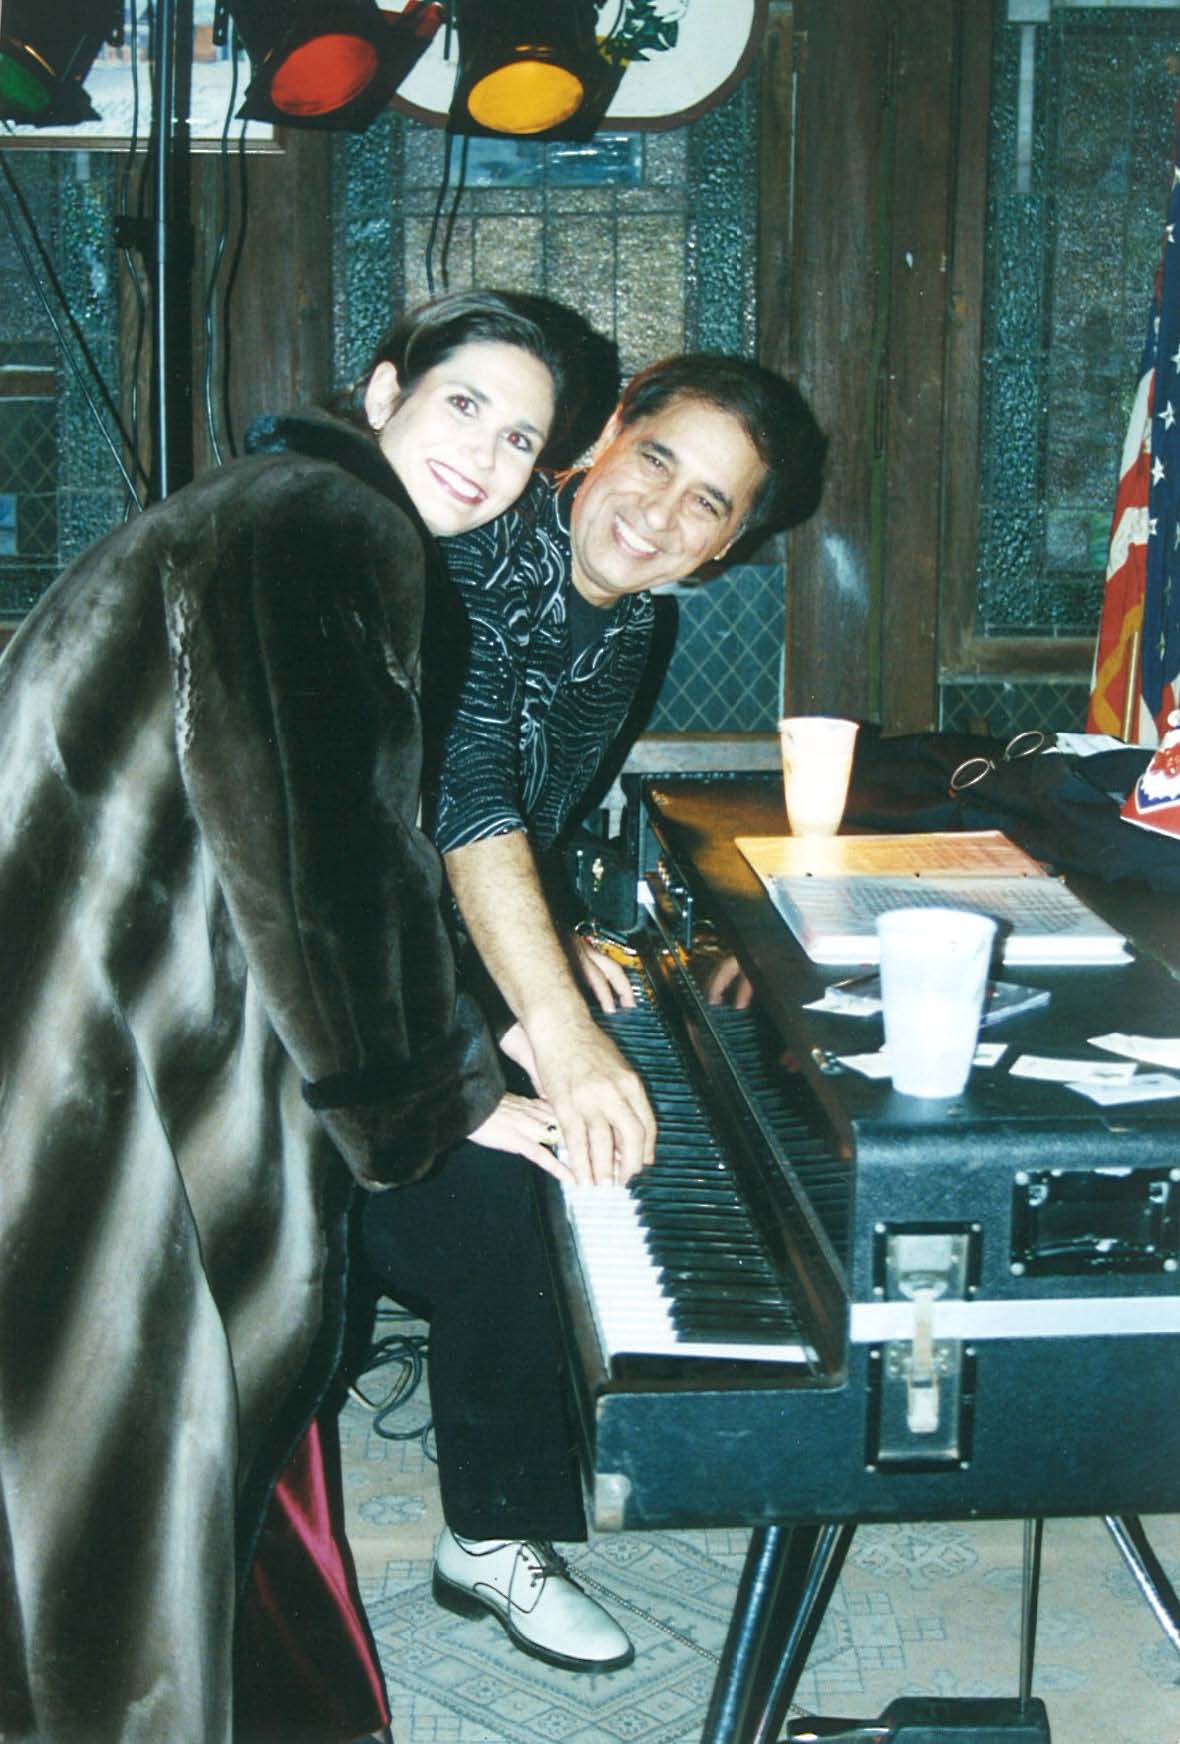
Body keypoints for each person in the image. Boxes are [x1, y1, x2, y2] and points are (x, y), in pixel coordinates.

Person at [0, 287, 593, 1744]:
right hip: (105, 1046)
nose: (486, 455)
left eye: (522, 440)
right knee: (119, 1446)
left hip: (91, 1003)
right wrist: (440, 1097)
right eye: (465, 405)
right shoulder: (325, 525)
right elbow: (326, 851)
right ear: (384, 391)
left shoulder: (276, 508)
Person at [357, 352, 827, 1672]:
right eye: (657, 458)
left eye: (709, 504)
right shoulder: (476, 557)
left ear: (728, 548)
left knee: (624, 1092)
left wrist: (559, 936)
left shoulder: (633, 627)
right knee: (512, 1174)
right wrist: (541, 1032)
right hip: (323, 975)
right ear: (609, 431)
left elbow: (534, 814)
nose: (660, 512)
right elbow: (460, 798)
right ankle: (492, 1533)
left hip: (438, 947)